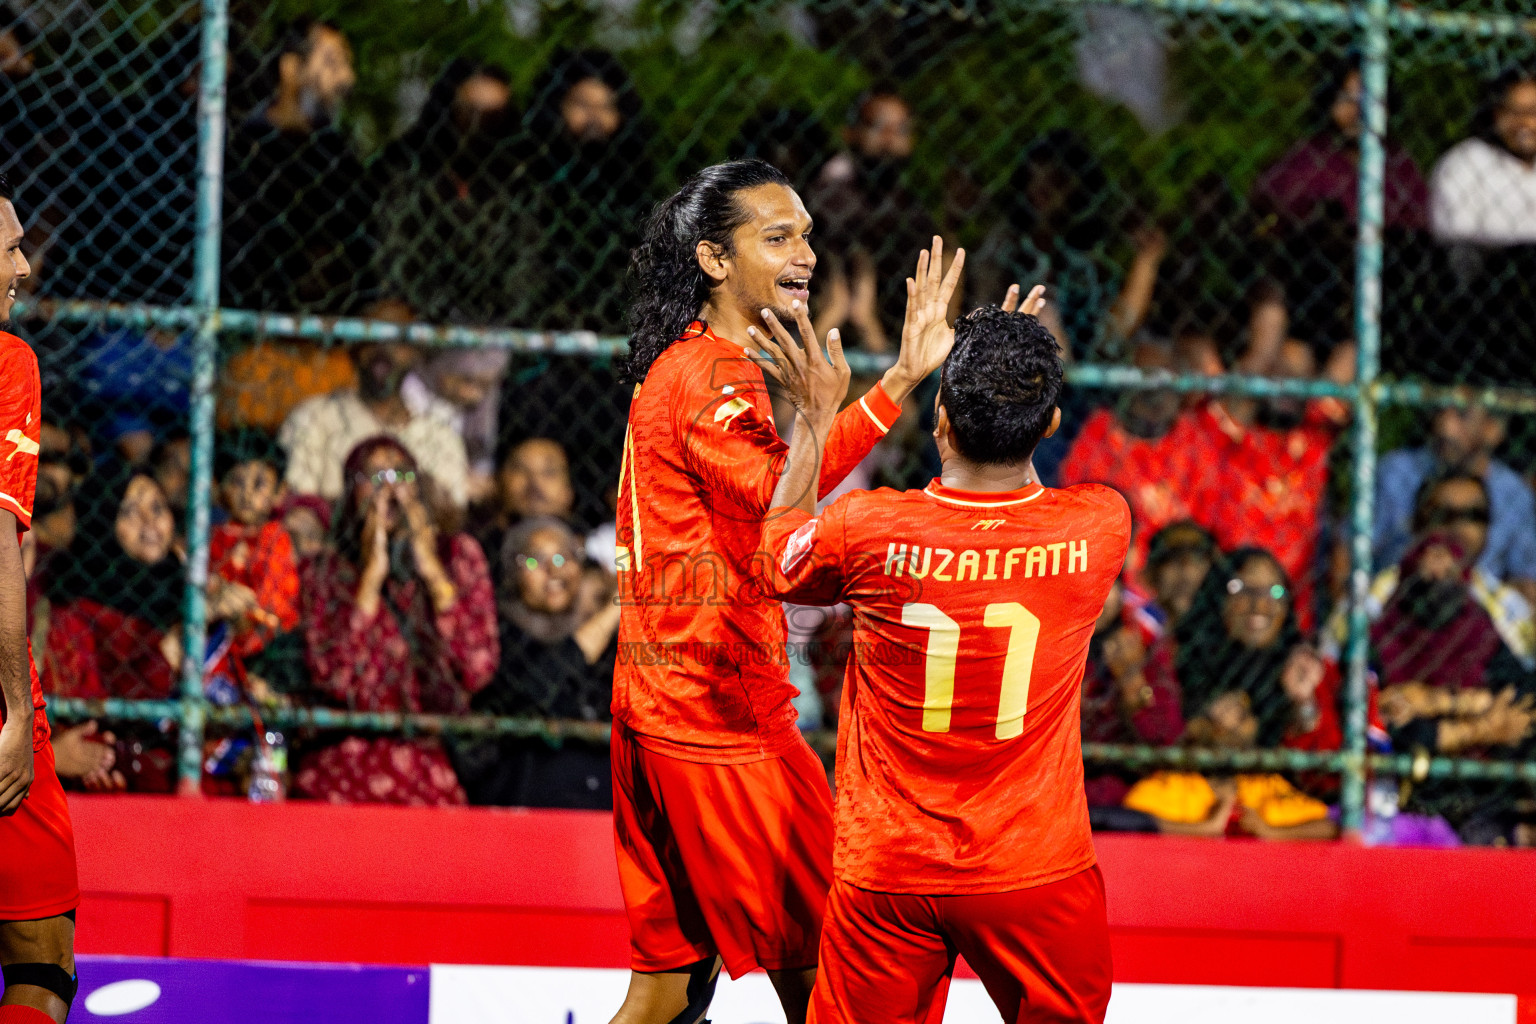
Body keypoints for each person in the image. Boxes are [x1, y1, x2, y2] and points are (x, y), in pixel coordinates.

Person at [608, 160, 994, 1024]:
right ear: (714, 259)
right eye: (778, 237)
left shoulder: (687, 363)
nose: (806, 255)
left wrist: (895, 382)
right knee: (841, 981)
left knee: (667, 994)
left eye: (808, 236)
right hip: (719, 724)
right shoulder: (715, 375)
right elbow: (784, 516)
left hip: (656, 712)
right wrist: (827, 415)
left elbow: (783, 483)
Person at [754, 293, 1125, 1022]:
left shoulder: (867, 527)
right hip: (1034, 867)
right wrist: (1009, 373)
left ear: (941, 421)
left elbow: (771, 553)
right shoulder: (1100, 525)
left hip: (891, 870)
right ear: (1051, 424)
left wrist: (822, 417)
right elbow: (1012, 514)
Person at [293, 437, 497, 805]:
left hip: (428, 766)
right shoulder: (322, 572)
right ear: (351, 492)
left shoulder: (457, 555)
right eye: (374, 476)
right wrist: (371, 579)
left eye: (401, 475)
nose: (388, 489)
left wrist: (432, 572)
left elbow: (475, 668)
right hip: (342, 768)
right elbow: (336, 677)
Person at [0, 176, 80, 1024]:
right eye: (12, 249)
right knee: (41, 954)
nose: (24, 267)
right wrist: (17, 710)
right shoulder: (7, 363)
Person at [456, 516, 619, 809]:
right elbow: (535, 695)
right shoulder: (498, 635)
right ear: (512, 573)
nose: (553, 570)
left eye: (563, 557)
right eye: (534, 561)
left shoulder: (610, 643)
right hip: (527, 803)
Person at [372, 59, 541, 327]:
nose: (479, 127)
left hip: (495, 326)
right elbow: (393, 262)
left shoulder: (519, 186)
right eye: (469, 112)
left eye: (493, 117)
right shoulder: (405, 173)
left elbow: (524, 272)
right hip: (413, 318)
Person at [221, 17, 373, 313]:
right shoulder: (239, 147)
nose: (347, 78)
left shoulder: (337, 155)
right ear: (290, 69)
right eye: (331, 63)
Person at [1323, 471, 1535, 668]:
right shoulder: (1370, 600)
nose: (1458, 526)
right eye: (1443, 514)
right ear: (1417, 523)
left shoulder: (1508, 606)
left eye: (1473, 515)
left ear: (1488, 528)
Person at [1149, 547, 1341, 754]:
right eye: (1240, 588)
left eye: (1275, 592)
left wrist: (1303, 704)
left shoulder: (1311, 670)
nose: (1259, 605)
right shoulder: (1176, 661)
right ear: (1218, 597)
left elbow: (1331, 759)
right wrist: (1205, 730)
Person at [524, 48, 656, 333]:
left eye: (607, 106)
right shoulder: (530, 184)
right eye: (582, 104)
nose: (595, 117)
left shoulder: (637, 193)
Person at [278, 313, 470, 508]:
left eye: (397, 340)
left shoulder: (439, 435)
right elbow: (299, 507)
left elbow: (453, 512)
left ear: (416, 352)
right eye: (372, 336)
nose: (383, 349)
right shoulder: (313, 417)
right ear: (354, 346)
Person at [808, 86, 938, 352]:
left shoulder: (908, 201)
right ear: (851, 132)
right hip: (825, 315)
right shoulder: (828, 193)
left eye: (901, 129)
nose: (890, 138)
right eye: (878, 126)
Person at [1122, 690, 1339, 841]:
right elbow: (1128, 821)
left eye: (1242, 717)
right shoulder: (1175, 782)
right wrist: (1205, 828)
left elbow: (1329, 828)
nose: (1234, 728)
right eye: (1222, 719)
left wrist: (1269, 832)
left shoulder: (1262, 784)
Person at [1375, 405, 1536, 600]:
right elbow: (1349, 551)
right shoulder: (1395, 471)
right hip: (1397, 599)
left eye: (1462, 415)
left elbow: (1528, 579)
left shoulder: (1515, 494)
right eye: (1439, 410)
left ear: (1493, 429)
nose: (1444, 428)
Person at [209, 429, 301, 670]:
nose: (247, 494)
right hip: (221, 637)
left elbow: (272, 605)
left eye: (259, 484)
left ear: (280, 492)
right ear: (219, 489)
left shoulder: (274, 537)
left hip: (270, 644)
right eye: (237, 482)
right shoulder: (213, 537)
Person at [1431, 68, 1536, 247]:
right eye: (1513, 111)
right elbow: (1457, 241)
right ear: (1496, 114)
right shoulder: (1465, 164)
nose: (1524, 122)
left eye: (1532, 111)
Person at [401, 347, 510, 505]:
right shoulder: (410, 389)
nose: (471, 393)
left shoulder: (475, 410)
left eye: (483, 386)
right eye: (466, 380)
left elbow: (481, 464)